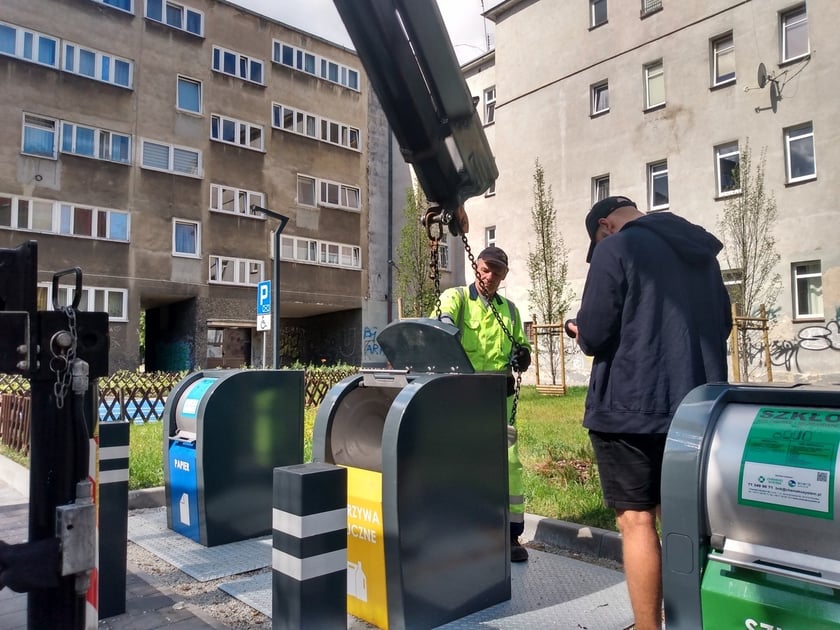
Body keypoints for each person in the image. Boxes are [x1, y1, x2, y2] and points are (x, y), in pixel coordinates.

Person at [566, 196, 731, 629]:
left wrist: (579, 330)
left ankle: (647, 627)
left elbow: (597, 332)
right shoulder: (700, 252)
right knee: (684, 522)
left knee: (638, 522)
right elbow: (723, 324)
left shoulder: (615, 248)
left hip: (631, 409)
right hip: (700, 408)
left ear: (606, 225)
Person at [435, 245, 532, 562]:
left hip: (498, 397)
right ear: (476, 266)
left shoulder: (511, 311)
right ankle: (459, 528)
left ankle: (511, 534)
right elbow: (443, 318)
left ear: (504, 276)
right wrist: (445, 322)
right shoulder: (459, 298)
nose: (489, 277)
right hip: (463, 395)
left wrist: (524, 355)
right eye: (486, 269)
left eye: (497, 272)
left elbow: (521, 345)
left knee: (508, 462)